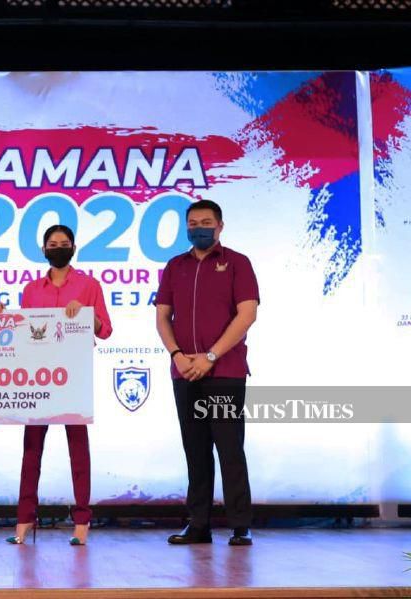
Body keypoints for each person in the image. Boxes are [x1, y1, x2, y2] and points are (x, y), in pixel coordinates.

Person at [0, 224, 112, 546]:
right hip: (38, 376)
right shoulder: (32, 289)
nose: (59, 247)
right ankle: (24, 520)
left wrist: (86, 315)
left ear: (73, 247)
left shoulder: (89, 285)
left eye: (65, 243)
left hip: (73, 376)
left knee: (78, 450)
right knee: (31, 450)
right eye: (53, 243)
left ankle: (82, 522)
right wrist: (1, 317)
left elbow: (104, 330)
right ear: (44, 250)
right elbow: (23, 331)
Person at [154, 200, 259, 547]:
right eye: (193, 223)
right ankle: (198, 523)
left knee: (230, 449)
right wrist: (177, 355)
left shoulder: (236, 263)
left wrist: (211, 356)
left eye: (206, 222)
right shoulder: (174, 266)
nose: (200, 228)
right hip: (184, 372)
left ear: (220, 226)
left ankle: (240, 524)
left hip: (224, 371)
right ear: (186, 228)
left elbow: (246, 315)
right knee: (195, 451)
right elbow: (162, 317)